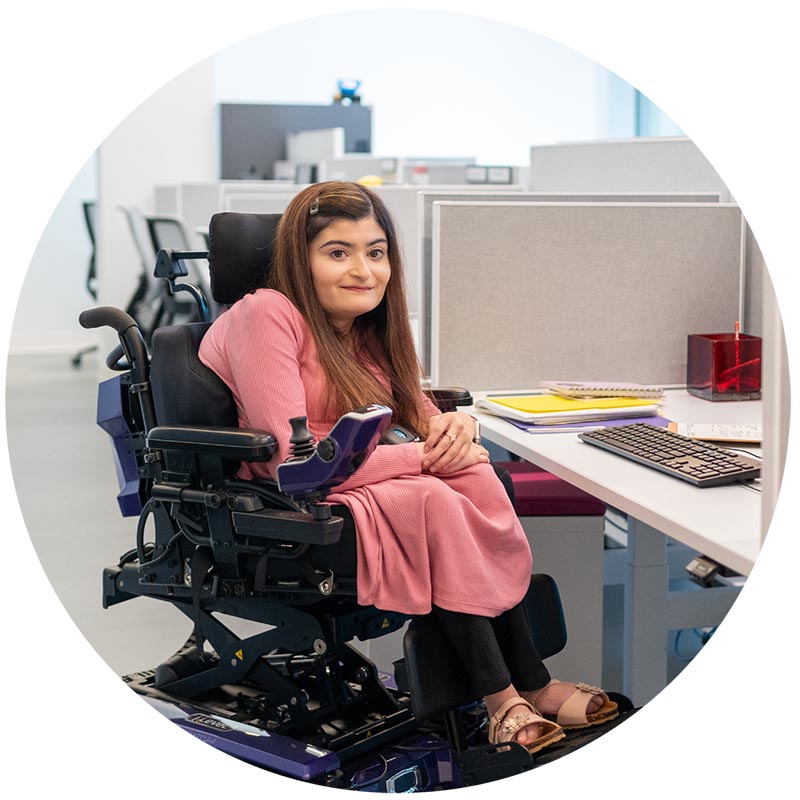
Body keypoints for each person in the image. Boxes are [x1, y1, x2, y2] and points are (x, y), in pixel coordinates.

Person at [199, 181, 617, 753]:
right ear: (302, 258)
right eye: (338, 252)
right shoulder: (267, 312)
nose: (364, 270)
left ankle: (530, 684)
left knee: (480, 477)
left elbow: (415, 411)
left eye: (376, 252)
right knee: (432, 498)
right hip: (299, 490)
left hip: (361, 468)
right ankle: (505, 698)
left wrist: (456, 429)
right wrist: (420, 455)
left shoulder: (364, 327)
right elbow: (289, 458)